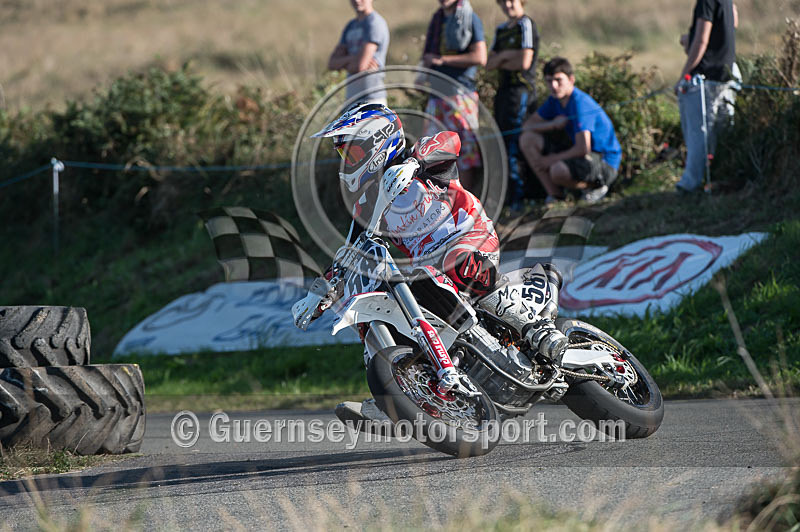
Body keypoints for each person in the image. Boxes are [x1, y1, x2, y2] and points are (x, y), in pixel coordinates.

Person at [292, 102, 567, 426]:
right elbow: (351, 251)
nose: (347, 162)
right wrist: (318, 293)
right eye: (344, 155)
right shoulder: (366, 202)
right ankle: (399, 393)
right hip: (431, 266)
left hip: (470, 238)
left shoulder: (419, 160)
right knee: (368, 302)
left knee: (454, 261)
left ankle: (537, 329)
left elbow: (451, 140)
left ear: (377, 142)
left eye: (350, 152)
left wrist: (414, 163)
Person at [518, 57, 621, 204]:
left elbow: (583, 148)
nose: (553, 86)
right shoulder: (555, 100)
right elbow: (527, 126)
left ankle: (595, 187)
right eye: (549, 81)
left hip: (604, 161)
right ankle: (556, 197)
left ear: (571, 79)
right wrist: (552, 124)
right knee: (527, 139)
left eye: (558, 80)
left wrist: (550, 160)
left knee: (556, 170)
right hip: (579, 154)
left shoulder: (580, 103)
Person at [419, 0, 487, 191]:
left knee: (464, 152)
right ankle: (440, 202)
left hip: (460, 94)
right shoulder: (437, 20)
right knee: (431, 152)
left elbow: (480, 57)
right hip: (436, 94)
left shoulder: (470, 18)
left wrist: (442, 60)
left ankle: (464, 202)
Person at [674, 0, 738, 193]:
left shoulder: (706, 1)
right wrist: (691, 39)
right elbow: (733, 20)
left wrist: (684, 75)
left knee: (697, 134)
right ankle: (719, 176)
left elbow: (702, 40)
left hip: (704, 78)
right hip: (725, 74)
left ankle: (690, 184)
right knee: (722, 132)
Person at [486, 0, 539, 211]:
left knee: (515, 142)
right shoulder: (500, 30)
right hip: (503, 92)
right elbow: (488, 63)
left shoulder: (525, 24)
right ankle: (509, 197)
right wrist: (509, 56)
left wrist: (504, 57)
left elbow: (525, 62)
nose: (507, 4)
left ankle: (520, 197)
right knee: (502, 141)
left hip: (521, 90)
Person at [327, 0, 390, 105]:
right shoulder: (351, 26)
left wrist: (346, 63)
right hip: (351, 99)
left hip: (371, 98)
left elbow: (360, 66)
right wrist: (353, 59)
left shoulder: (374, 23)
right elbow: (332, 63)